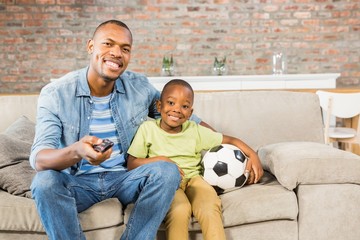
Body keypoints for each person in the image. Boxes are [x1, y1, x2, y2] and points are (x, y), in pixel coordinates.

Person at [29, 20, 208, 240]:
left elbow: (189, 121)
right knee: (44, 181)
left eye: (125, 49)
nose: (116, 53)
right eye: (108, 44)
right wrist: (77, 151)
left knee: (166, 171)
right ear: (90, 46)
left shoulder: (139, 88)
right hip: (78, 183)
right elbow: (39, 159)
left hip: (125, 178)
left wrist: (238, 146)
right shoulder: (56, 94)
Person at [127, 79, 264, 240]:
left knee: (209, 206)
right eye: (171, 103)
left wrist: (253, 155)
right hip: (167, 184)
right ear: (159, 106)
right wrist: (160, 160)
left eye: (184, 106)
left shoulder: (195, 131)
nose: (177, 109)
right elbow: (132, 164)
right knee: (180, 209)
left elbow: (230, 140)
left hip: (194, 180)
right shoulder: (147, 130)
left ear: (190, 113)